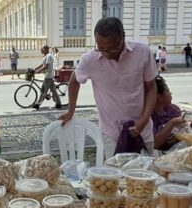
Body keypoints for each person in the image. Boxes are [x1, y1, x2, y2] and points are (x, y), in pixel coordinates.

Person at [59, 17, 157, 158]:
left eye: (113, 48)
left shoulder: (142, 52)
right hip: (111, 132)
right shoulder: (90, 60)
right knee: (114, 170)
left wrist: (144, 119)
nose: (107, 53)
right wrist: (70, 111)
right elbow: (74, 80)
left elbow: (151, 88)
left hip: (142, 129)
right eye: (101, 49)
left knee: (145, 170)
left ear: (123, 37)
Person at [151, 76, 188, 151]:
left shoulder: (174, 110)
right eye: (168, 91)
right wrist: (172, 123)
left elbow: (181, 133)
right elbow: (154, 145)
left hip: (179, 150)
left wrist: (187, 127)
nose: (170, 93)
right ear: (159, 96)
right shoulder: (150, 117)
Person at [32, 45, 62, 110]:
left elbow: (46, 66)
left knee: (43, 90)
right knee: (53, 90)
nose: (41, 50)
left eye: (42, 49)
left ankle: (38, 104)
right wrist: (36, 68)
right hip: (49, 75)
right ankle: (58, 103)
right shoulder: (46, 56)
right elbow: (43, 64)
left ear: (46, 49)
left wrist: (38, 71)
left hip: (48, 76)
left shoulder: (49, 56)